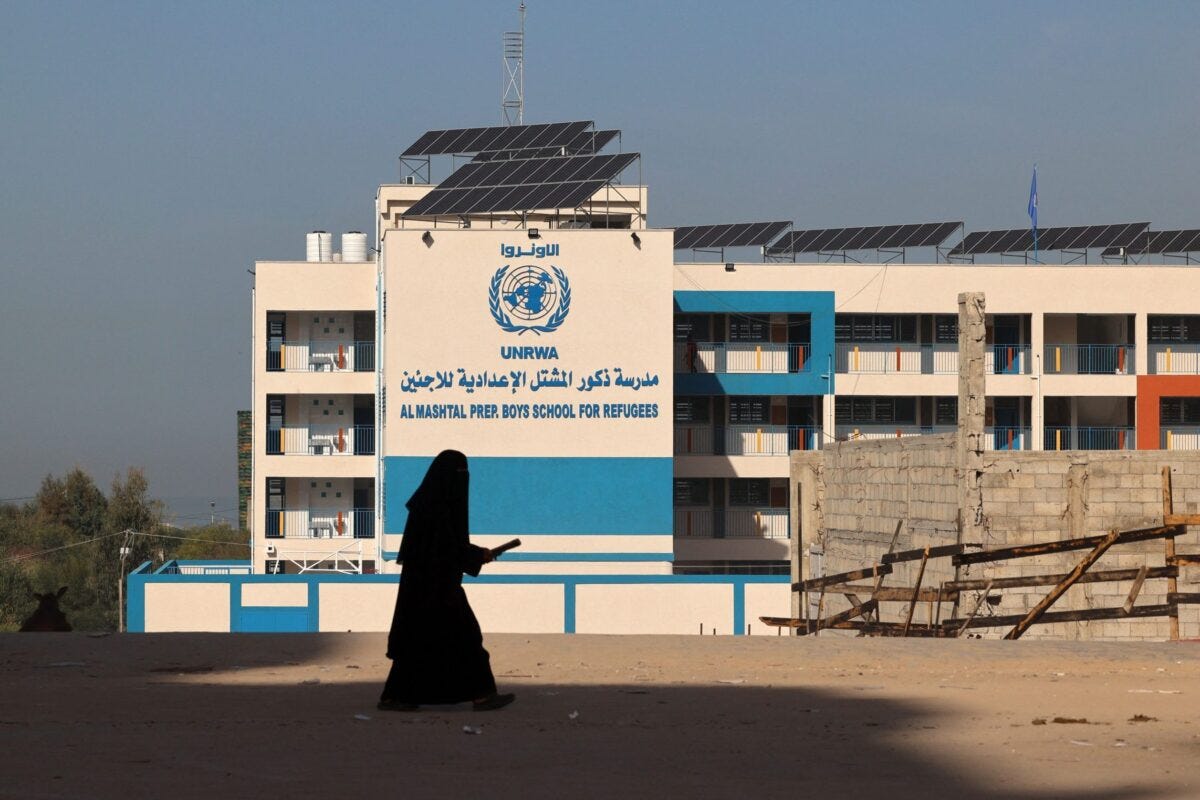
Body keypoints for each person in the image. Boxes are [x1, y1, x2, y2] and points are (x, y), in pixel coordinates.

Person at [378, 450, 515, 712]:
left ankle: (394, 696)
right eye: (460, 474)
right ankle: (482, 694)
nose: (463, 480)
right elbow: (445, 547)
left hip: (425, 590)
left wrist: (472, 555)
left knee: (416, 644)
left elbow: (445, 546)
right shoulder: (436, 509)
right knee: (467, 639)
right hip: (438, 590)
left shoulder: (427, 505)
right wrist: (477, 555)